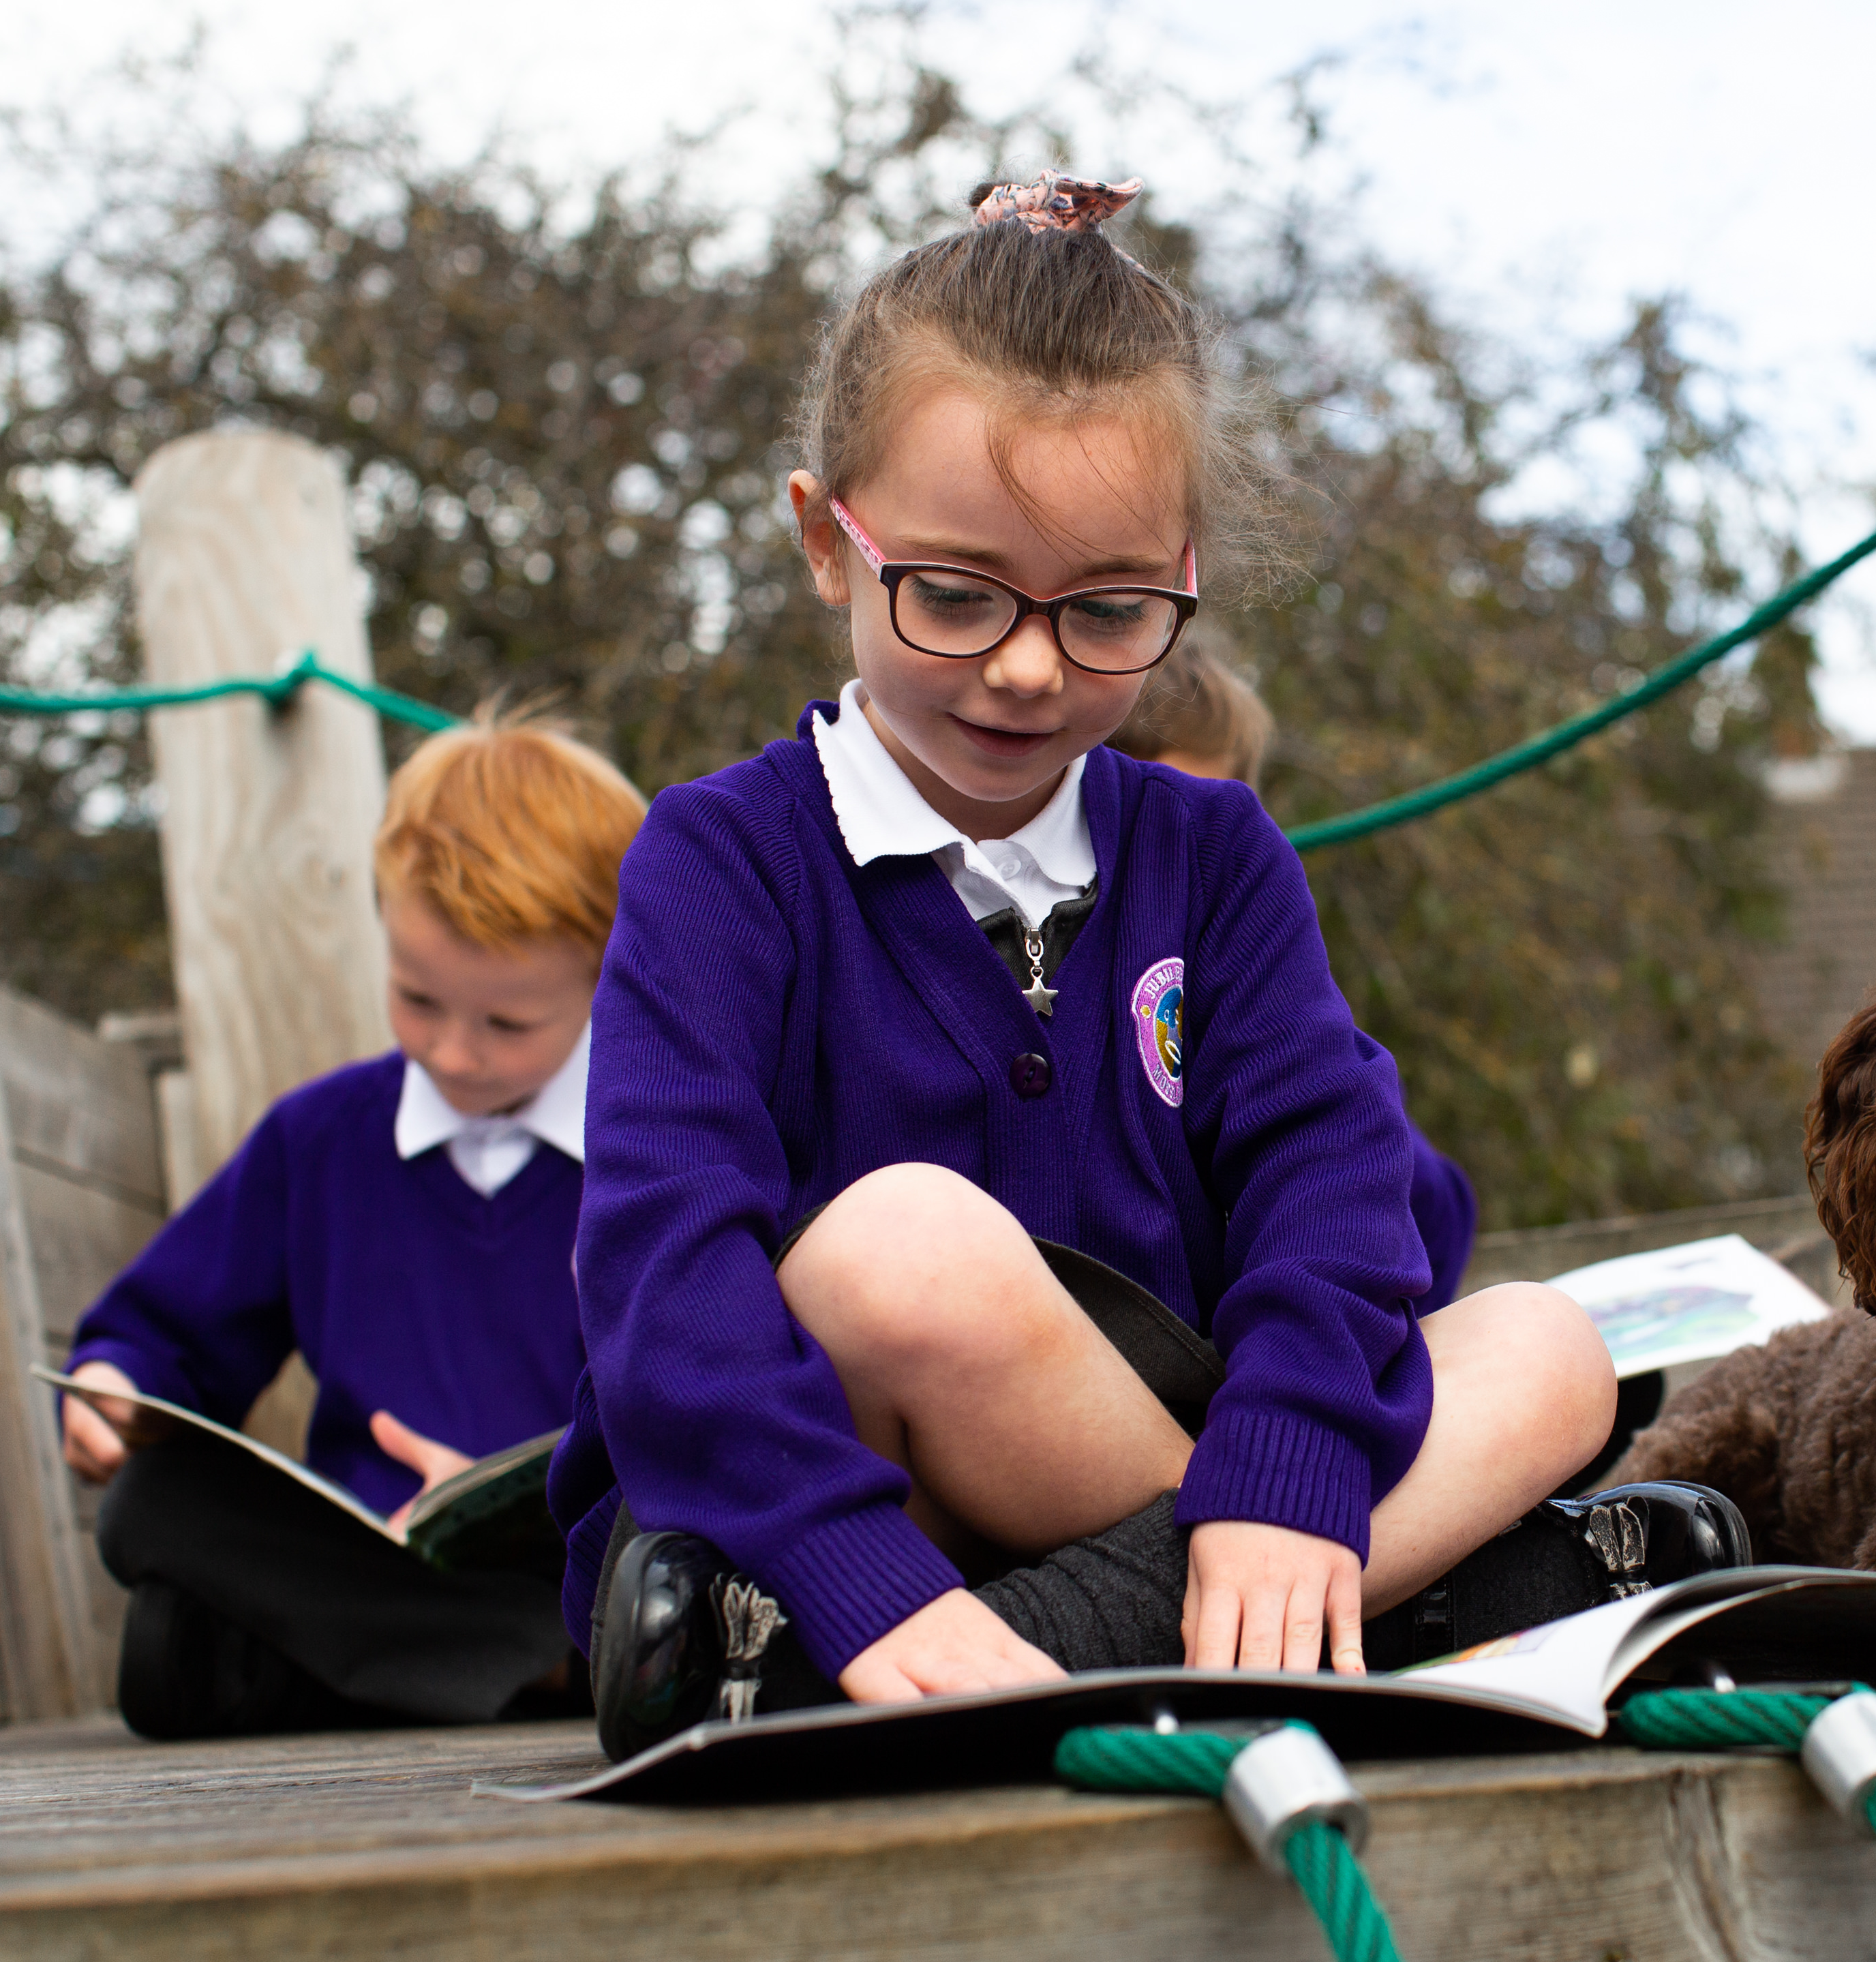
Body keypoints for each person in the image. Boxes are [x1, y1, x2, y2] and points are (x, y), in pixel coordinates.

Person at [556, 172, 1744, 1759]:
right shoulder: (721, 859)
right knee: (906, 1251)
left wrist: (1276, 1463)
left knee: (1545, 1349)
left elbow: (1332, 1183)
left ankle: (1087, 1633)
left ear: (1178, 577)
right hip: (846, 1494)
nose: (1029, 663)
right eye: (956, 594)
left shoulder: (1213, 854)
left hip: (1151, 1453)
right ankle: (1402, 1607)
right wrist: (858, 1569)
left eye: (1109, 607)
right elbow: (662, 1270)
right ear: (825, 544)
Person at [63, 711, 646, 1738]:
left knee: (666, 1542)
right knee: (146, 1507)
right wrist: (116, 1386)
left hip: (575, 1556)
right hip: (371, 1557)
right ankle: (537, 1670)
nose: (455, 1053)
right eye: (417, 999)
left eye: (508, 1024)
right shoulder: (319, 1140)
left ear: (608, 977)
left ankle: (475, 1657)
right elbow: (165, 1335)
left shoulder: (657, 1142)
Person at [1108, 644, 1478, 1311]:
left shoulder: (1244, 961)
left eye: (1210, 813)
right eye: (1156, 809)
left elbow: (1429, 1213)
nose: (1180, 849)